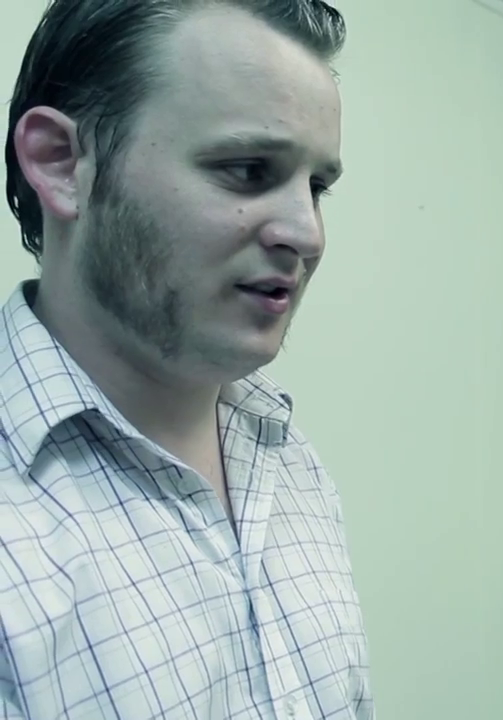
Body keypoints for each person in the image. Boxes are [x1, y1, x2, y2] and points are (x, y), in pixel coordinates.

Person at [0, 1, 372, 717]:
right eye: (248, 170)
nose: (308, 234)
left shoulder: (290, 462)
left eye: (317, 187)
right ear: (60, 163)